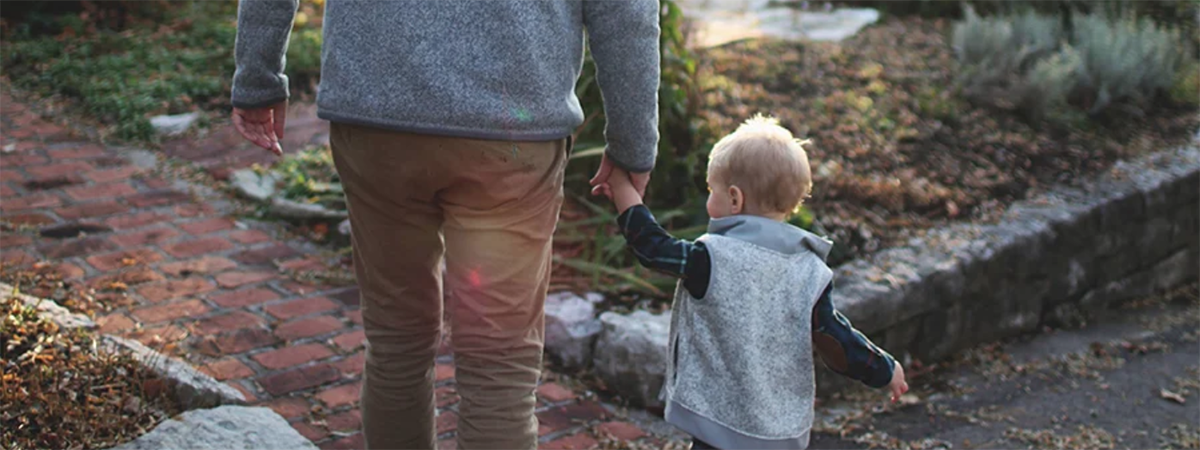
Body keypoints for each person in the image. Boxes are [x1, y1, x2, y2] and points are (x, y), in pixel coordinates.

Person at [228, 1, 662, 449]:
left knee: (397, 343)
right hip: (511, 137)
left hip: (378, 120)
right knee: (499, 364)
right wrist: (632, 144)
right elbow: (625, 13)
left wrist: (257, 78)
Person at [597, 115, 909, 450]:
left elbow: (653, 247)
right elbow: (836, 338)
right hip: (776, 428)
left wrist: (622, 190)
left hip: (717, 423)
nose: (708, 200)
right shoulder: (810, 271)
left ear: (734, 199)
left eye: (710, 190)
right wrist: (884, 368)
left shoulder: (712, 257)